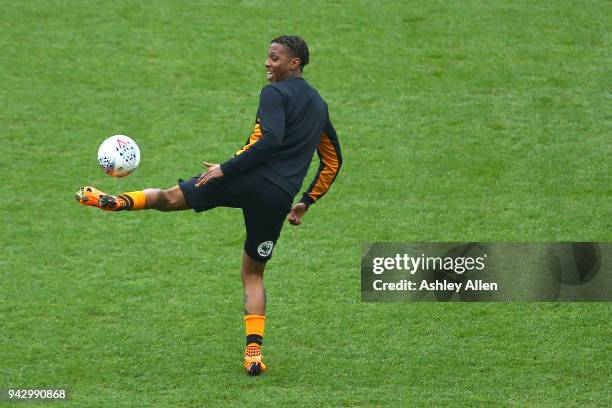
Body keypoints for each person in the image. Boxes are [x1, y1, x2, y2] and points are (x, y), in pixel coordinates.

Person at [75, 35, 342, 375]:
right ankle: (253, 354)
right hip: (277, 197)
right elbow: (333, 161)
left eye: (274, 58)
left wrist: (224, 169)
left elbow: (270, 140)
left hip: (244, 177)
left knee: (171, 198)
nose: (267, 63)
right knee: (253, 273)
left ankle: (115, 201)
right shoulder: (319, 105)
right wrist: (306, 201)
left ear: (295, 63)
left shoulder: (274, 92)